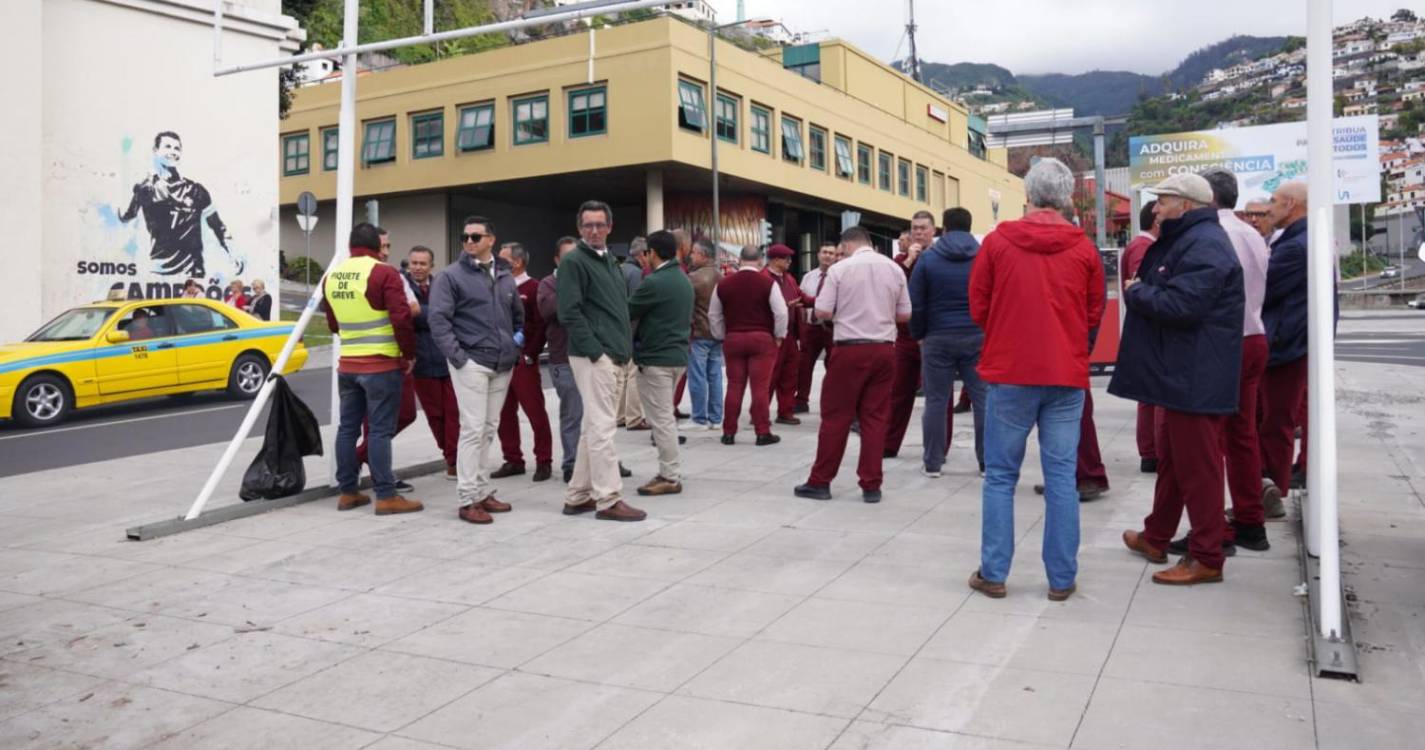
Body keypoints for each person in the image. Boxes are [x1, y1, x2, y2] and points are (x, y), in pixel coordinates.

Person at [966, 158, 1103, 601]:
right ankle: (1061, 579)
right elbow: (1093, 311)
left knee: (1001, 476)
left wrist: (1007, 329)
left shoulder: (998, 242)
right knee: (1062, 476)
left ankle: (995, 572)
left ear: (1027, 195)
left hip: (1010, 371)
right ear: (1066, 199)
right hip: (1065, 373)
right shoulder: (1083, 249)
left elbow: (979, 306)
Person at [1113, 173, 1244, 586]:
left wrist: (1136, 292)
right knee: (1173, 458)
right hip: (1184, 371)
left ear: (1186, 205)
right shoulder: (1192, 239)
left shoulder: (1204, 243)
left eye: (1163, 200)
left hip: (1196, 375)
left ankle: (1206, 557)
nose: (1156, 208)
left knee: (1199, 468)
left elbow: (1183, 304)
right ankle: (1157, 536)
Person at [1163, 168, 1273, 558]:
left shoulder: (1209, 237)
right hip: (1255, 335)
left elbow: (1192, 298)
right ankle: (1249, 519)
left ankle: (1211, 533)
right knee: (1242, 436)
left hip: (1221, 344)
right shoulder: (1252, 234)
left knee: (1205, 443)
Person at [794, 226, 910, 503]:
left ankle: (820, 481)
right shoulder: (893, 269)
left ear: (846, 247)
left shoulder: (839, 270)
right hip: (884, 348)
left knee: (836, 417)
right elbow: (905, 314)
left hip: (849, 348)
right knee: (875, 417)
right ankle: (871, 484)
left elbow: (822, 311)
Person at [322, 222, 422, 516]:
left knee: (347, 429)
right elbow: (402, 317)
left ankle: (348, 492)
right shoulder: (383, 272)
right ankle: (386, 495)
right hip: (381, 363)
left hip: (348, 364)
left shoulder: (332, 275)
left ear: (352, 246)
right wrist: (408, 354)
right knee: (379, 431)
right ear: (378, 247)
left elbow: (332, 323)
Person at [429, 216, 524, 526]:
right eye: (465, 236)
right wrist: (459, 358)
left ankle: (482, 491)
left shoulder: (505, 275)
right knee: (472, 429)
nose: (469, 241)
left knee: (487, 428)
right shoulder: (451, 276)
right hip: (471, 362)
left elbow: (517, 317)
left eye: (475, 236)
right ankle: (468, 498)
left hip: (502, 363)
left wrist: (514, 345)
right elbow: (439, 322)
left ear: (491, 240)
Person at [559, 200, 647, 522]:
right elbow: (569, 312)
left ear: (610, 227)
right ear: (580, 228)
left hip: (610, 353)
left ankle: (578, 495)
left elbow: (616, 310)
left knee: (592, 428)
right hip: (592, 356)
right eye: (587, 225)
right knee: (602, 430)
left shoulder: (609, 260)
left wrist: (621, 351)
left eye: (599, 224)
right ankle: (608, 499)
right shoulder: (575, 262)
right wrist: (597, 353)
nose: (594, 230)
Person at [909, 206, 984, 478]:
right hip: (977, 337)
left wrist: (918, 334)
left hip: (937, 337)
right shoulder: (983, 257)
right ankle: (986, 462)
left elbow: (915, 303)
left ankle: (933, 462)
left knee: (936, 401)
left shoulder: (928, 259)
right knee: (983, 400)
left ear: (944, 229)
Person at [117, 131, 240, 278]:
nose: (173, 152)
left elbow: (218, 226)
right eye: (168, 147)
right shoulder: (146, 188)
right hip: (158, 271)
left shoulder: (196, 190)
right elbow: (125, 216)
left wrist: (233, 253)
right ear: (155, 151)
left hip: (193, 273)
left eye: (177, 148)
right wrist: (136, 187)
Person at [628, 230, 695, 495]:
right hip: (677, 356)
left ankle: (669, 475)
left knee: (662, 421)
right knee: (665, 417)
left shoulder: (654, 282)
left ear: (651, 253)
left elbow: (627, 310)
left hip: (656, 358)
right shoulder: (682, 279)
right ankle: (670, 472)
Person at [1259, 181, 1311, 511]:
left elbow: (1261, 288)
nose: (1269, 208)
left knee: (1275, 421)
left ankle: (1273, 492)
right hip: (1289, 341)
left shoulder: (1294, 247)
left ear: (1290, 204)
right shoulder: (1299, 240)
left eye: (1274, 202)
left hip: (1284, 344)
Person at [709, 244, 788, 446]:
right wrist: (779, 335)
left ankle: (728, 432)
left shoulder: (724, 284)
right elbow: (781, 312)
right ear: (760, 260)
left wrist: (722, 335)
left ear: (740, 259)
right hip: (761, 338)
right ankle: (762, 432)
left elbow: (714, 315)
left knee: (735, 386)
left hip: (734, 338)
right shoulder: (768, 283)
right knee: (760, 387)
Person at [490, 242, 554, 482]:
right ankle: (513, 459)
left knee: (535, 412)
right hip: (499, 360)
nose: (497, 262)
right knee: (504, 413)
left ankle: (544, 461)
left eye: (503, 258)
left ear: (516, 262)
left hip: (522, 360)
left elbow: (541, 324)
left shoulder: (534, 287)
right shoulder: (496, 286)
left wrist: (530, 353)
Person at [406, 246, 460, 480]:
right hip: (421, 363)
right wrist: (435, 315)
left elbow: (452, 314)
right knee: (435, 415)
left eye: (422, 263)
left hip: (447, 359)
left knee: (455, 413)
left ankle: (456, 459)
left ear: (431, 265)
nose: (417, 267)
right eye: (414, 263)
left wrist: (422, 314)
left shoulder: (442, 284)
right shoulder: (402, 287)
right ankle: (450, 457)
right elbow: (404, 317)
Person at [884, 213, 933, 458]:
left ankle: (937, 448)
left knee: (936, 395)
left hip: (933, 335)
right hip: (905, 336)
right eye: (915, 229)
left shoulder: (938, 257)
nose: (919, 233)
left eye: (923, 228)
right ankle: (889, 444)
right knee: (899, 391)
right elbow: (890, 286)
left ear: (933, 230)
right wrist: (909, 260)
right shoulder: (901, 260)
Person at [1122, 201, 1161, 473]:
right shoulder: (1142, 247)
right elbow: (1140, 284)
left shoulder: (1142, 246)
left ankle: (1151, 450)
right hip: (1147, 325)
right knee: (1149, 394)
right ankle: (1150, 451)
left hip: (1148, 324)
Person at [762, 244, 804, 425]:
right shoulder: (763, 278)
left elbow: (803, 297)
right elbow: (761, 306)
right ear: (776, 260)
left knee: (790, 375)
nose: (790, 262)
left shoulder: (789, 279)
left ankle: (785, 411)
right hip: (773, 335)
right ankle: (760, 412)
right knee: (770, 376)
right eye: (786, 259)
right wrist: (786, 305)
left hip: (790, 335)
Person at [686, 238, 725, 431]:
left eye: (693, 252)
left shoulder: (693, 278)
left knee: (698, 375)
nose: (691, 255)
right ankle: (716, 418)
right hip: (717, 333)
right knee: (715, 375)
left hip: (699, 333)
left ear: (703, 255)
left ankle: (699, 418)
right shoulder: (721, 276)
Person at [795, 242, 839, 413]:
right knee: (804, 365)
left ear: (836, 256)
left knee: (834, 366)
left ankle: (834, 401)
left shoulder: (839, 275)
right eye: (824, 252)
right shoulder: (809, 277)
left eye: (831, 253)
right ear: (818, 255)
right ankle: (801, 400)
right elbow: (801, 301)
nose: (827, 256)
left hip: (832, 328)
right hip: (811, 328)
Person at [617, 237, 650, 431]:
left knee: (620, 376)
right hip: (631, 330)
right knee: (633, 375)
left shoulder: (619, 270)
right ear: (641, 254)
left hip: (617, 330)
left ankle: (619, 415)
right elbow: (637, 306)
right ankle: (634, 417)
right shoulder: (637, 274)